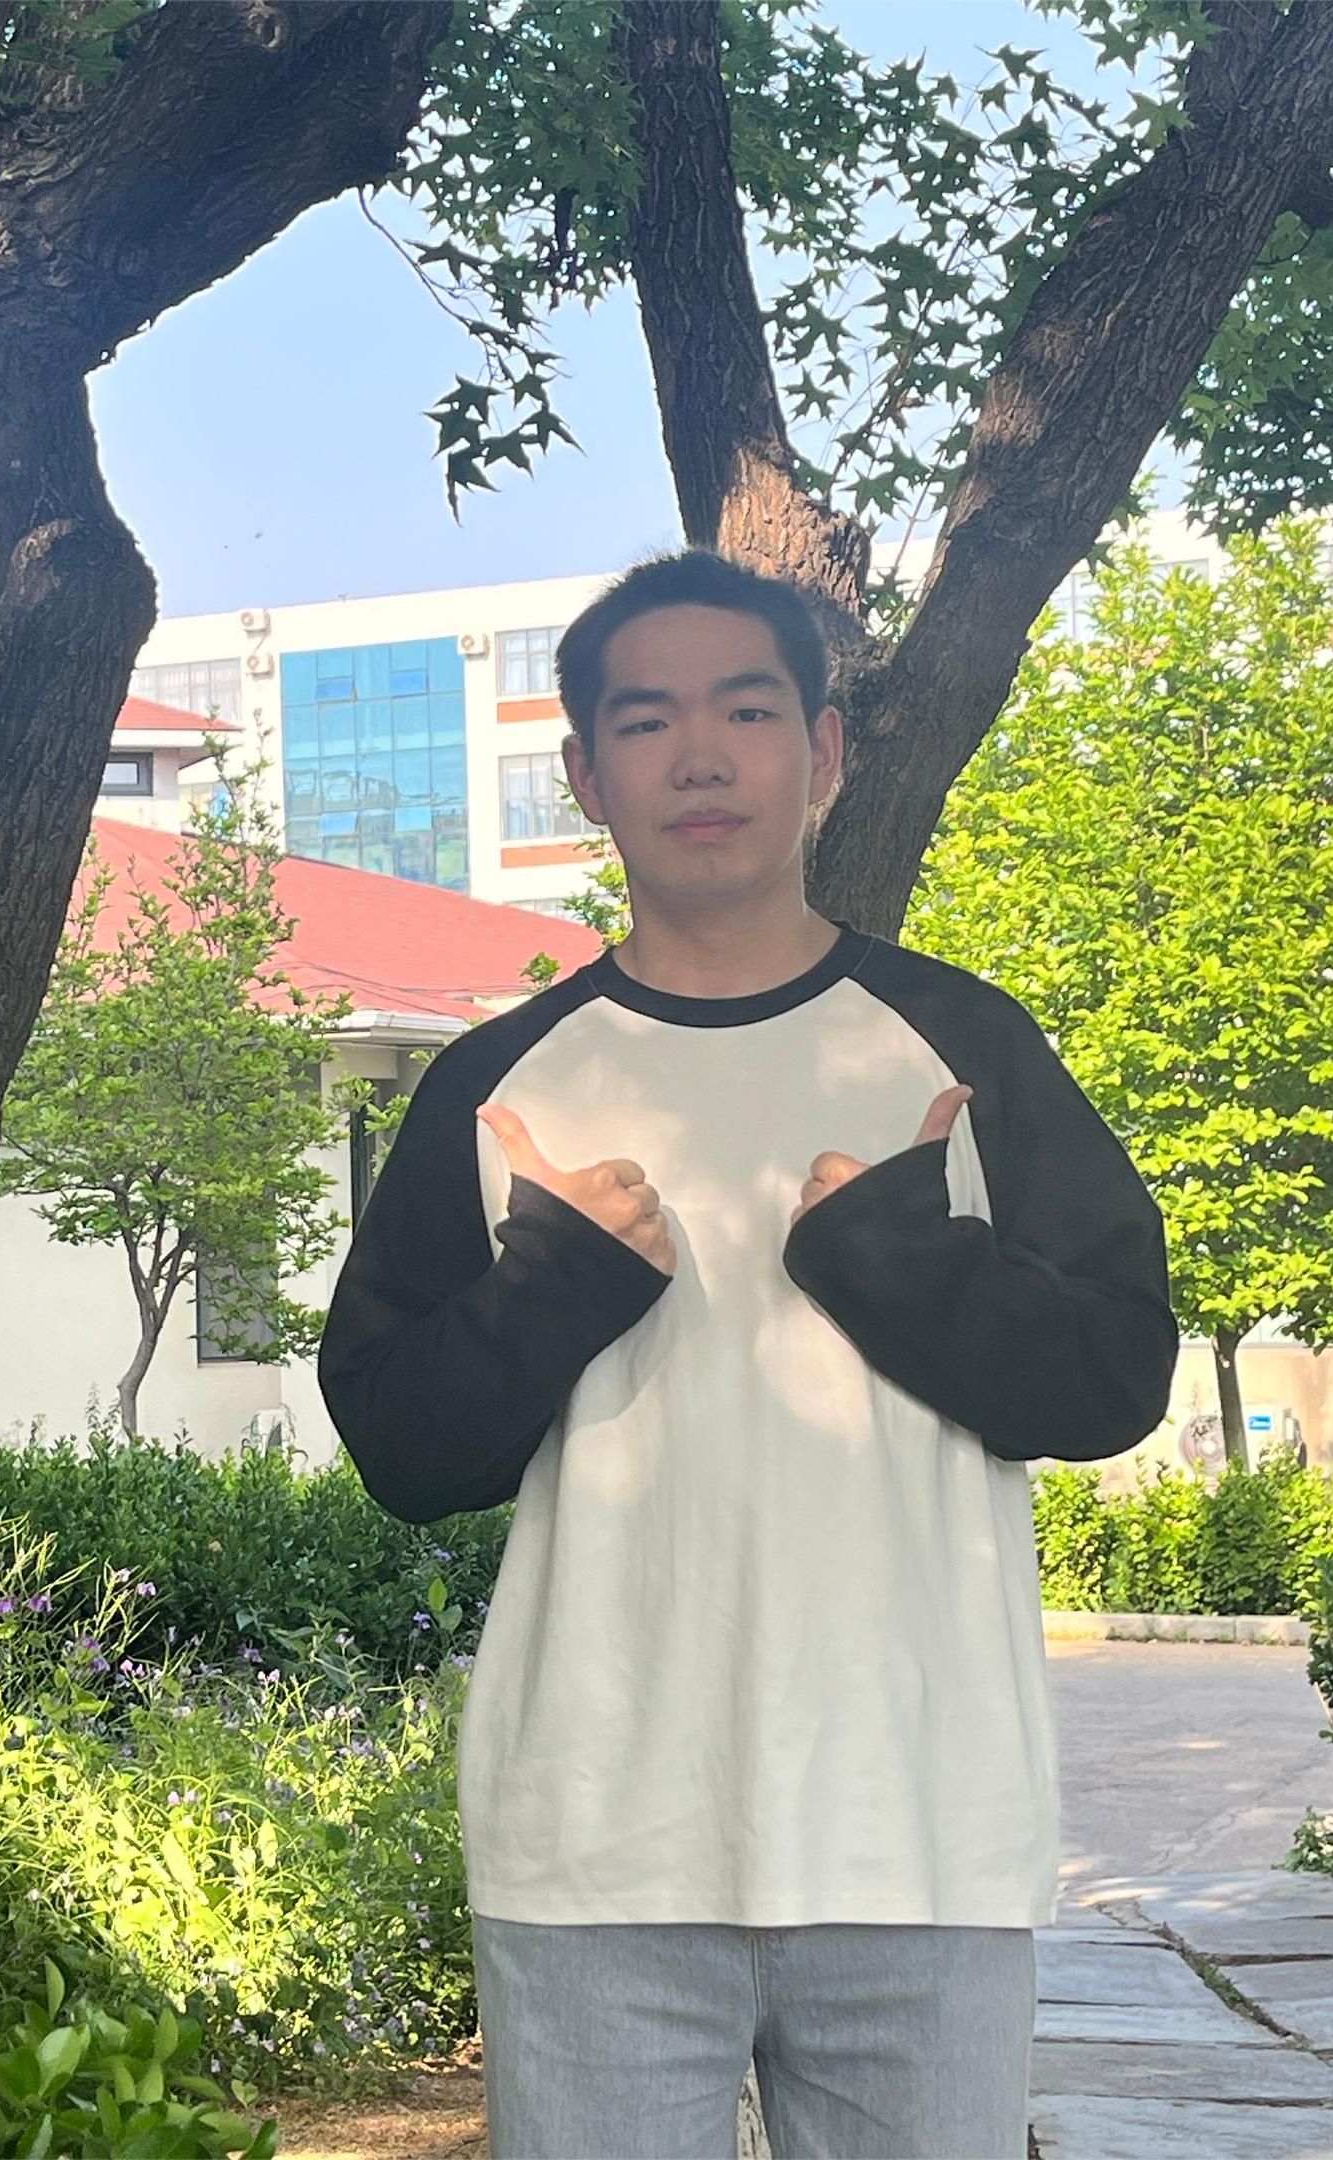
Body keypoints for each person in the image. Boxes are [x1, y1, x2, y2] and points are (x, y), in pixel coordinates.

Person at [317, 551, 1180, 2160]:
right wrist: (556, 1283)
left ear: (824, 751)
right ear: (585, 775)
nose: (699, 757)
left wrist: (903, 1261)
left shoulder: (964, 1047)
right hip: (595, 1844)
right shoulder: (500, 1086)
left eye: (747, 711)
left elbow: (1112, 1378)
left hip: (917, 1833)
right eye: (645, 722)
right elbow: (403, 1450)